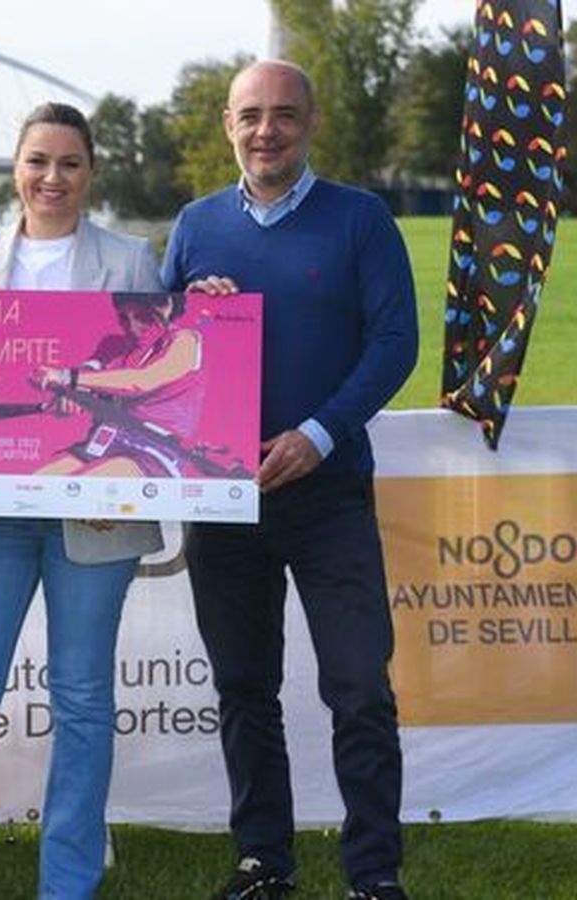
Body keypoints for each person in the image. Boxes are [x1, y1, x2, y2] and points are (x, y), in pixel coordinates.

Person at [160, 60, 418, 900]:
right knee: (244, 687)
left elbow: (395, 343)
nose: (265, 130)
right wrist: (192, 312)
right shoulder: (195, 225)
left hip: (328, 490)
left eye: (283, 115)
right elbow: (155, 355)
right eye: (250, 116)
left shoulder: (361, 220)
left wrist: (318, 433)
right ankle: (263, 861)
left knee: (359, 687)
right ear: (227, 125)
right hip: (223, 495)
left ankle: (374, 875)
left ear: (310, 121)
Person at [0, 102, 164, 900]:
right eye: (37, 161)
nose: (51, 178)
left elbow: (157, 394)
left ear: (91, 172)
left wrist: (121, 482)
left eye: (68, 163)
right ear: (15, 169)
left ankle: (69, 885)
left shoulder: (132, 261)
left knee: (84, 704)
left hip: (94, 515)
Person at [32, 292, 205, 478]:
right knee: (38, 483)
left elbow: (142, 381)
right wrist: (68, 396)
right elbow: (84, 379)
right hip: (104, 441)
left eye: (141, 317)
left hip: (153, 450)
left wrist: (67, 377)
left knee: (86, 484)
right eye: (124, 318)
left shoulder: (185, 341)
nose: (132, 327)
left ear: (165, 308)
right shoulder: (111, 345)